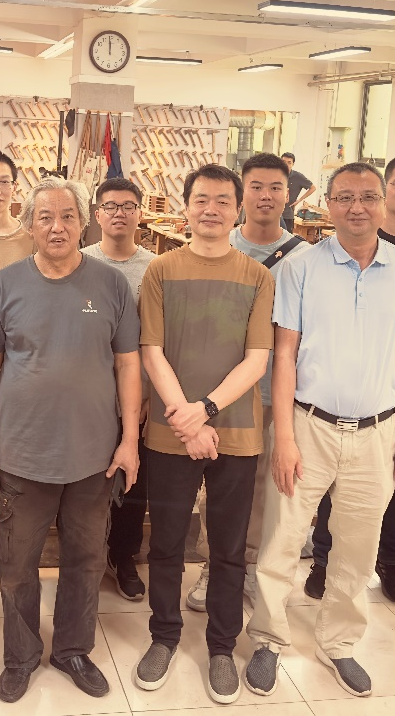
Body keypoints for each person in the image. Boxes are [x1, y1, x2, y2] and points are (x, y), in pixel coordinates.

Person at [244, 162, 395, 699]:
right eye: (345, 197)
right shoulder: (301, 267)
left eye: (368, 197)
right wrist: (285, 437)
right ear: (326, 204)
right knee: (282, 538)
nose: (357, 207)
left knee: (357, 545)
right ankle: (268, 638)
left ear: (383, 202)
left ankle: (340, 642)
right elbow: (285, 353)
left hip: (379, 431)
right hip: (309, 425)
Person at [0, 176, 141, 704]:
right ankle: (21, 657)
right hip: (22, 454)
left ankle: (72, 650)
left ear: (83, 222)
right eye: (45, 217)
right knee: (16, 565)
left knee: (86, 561)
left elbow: (128, 364)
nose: (57, 227)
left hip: (94, 456)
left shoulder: (111, 284)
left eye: (68, 216)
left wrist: (129, 440)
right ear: (29, 224)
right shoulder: (4, 284)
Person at [133, 164, 274, 706]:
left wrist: (206, 410)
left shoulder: (257, 276)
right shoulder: (161, 270)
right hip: (171, 432)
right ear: (185, 206)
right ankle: (164, 637)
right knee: (167, 543)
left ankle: (221, 646)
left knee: (229, 548)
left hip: (236, 433)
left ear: (237, 209)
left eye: (222, 200)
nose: (211, 209)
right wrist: (186, 419)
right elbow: (151, 351)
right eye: (201, 199)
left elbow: (257, 359)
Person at [306, 153, 395, 604]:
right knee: (335, 485)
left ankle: (391, 560)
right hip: (342, 393)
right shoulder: (351, 242)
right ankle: (323, 559)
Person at [187, 153, 308, 613]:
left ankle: (253, 566)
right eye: (256, 186)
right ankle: (212, 566)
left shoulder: (304, 258)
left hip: (276, 393)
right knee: (214, 485)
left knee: (264, 489)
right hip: (219, 394)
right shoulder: (218, 243)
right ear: (242, 195)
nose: (266, 196)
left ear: (289, 195)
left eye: (275, 187)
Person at [83, 178, 155, 602]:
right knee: (87, 483)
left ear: (139, 214)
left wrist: (147, 394)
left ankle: (123, 555)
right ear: (97, 214)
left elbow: (157, 340)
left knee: (132, 479)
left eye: (128, 206)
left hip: (138, 397)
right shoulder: (80, 261)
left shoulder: (156, 268)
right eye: (110, 206)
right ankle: (88, 555)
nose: (119, 213)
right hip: (88, 397)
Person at [278, 152, 316, 234]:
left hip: (287, 214)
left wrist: (299, 200)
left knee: (287, 239)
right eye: (284, 162)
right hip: (273, 214)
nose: (286, 165)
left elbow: (313, 188)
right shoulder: (275, 175)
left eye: (289, 162)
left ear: (293, 164)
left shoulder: (298, 177)